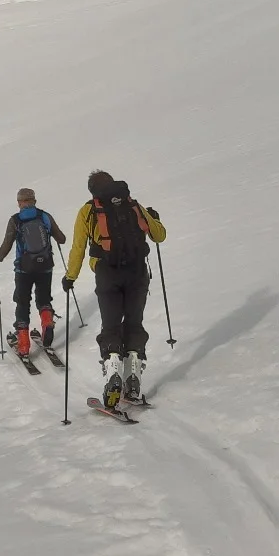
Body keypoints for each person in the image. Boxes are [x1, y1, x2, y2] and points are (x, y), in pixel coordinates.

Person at [61, 171, 167, 409]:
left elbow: (78, 246)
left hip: (107, 273)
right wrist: (154, 219)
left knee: (111, 325)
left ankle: (112, 374)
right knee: (134, 323)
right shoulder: (133, 204)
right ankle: (133, 378)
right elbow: (160, 236)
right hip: (138, 272)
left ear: (92, 191)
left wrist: (70, 277)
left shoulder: (88, 210)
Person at [0, 187, 66, 357]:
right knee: (44, 298)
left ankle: (23, 344)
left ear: (19, 202)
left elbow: (7, 244)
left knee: (22, 302)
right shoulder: (44, 216)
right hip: (45, 266)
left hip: (23, 269)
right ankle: (47, 322)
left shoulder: (15, 220)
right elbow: (62, 238)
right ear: (34, 201)